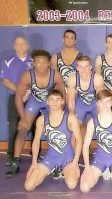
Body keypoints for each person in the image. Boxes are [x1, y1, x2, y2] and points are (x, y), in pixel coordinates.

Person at [6, 49, 65, 177]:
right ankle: (15, 162)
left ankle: (58, 161)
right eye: (38, 62)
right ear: (34, 63)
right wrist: (23, 117)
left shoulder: (55, 75)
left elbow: (62, 96)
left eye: (44, 62)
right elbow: (18, 97)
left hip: (50, 102)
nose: (42, 65)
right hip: (34, 102)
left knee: (58, 129)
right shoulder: (27, 75)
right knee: (23, 128)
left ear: (49, 63)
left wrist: (60, 115)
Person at [24, 89, 82, 191]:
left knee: (71, 185)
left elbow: (79, 140)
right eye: (51, 99)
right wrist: (34, 162)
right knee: (28, 186)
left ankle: (63, 170)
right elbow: (36, 141)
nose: (54, 102)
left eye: (57, 99)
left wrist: (75, 162)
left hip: (67, 158)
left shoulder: (70, 118)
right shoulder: (42, 120)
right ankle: (55, 169)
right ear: (47, 101)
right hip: (50, 158)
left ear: (62, 101)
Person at [80, 89, 112, 193]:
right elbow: (85, 146)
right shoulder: (92, 122)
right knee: (84, 188)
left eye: (107, 102)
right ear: (97, 103)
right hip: (99, 159)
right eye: (101, 102)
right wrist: (87, 167)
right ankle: (103, 171)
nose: (104, 105)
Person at [0, 37, 33, 166]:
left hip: (32, 98)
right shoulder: (8, 61)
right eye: (18, 44)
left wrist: (28, 92)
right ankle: (11, 156)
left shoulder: (34, 61)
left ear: (27, 46)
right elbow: (6, 81)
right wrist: (21, 92)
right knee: (13, 127)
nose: (20, 46)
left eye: (23, 44)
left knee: (35, 126)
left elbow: (38, 80)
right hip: (15, 97)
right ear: (14, 46)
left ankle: (35, 154)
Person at [67, 55, 105, 130]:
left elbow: (99, 98)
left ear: (91, 67)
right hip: (80, 104)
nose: (84, 69)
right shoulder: (72, 78)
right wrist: (72, 114)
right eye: (81, 67)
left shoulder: (97, 78)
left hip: (94, 103)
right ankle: (77, 141)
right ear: (77, 68)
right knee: (74, 125)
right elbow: (71, 99)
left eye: (86, 66)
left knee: (101, 124)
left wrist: (101, 114)